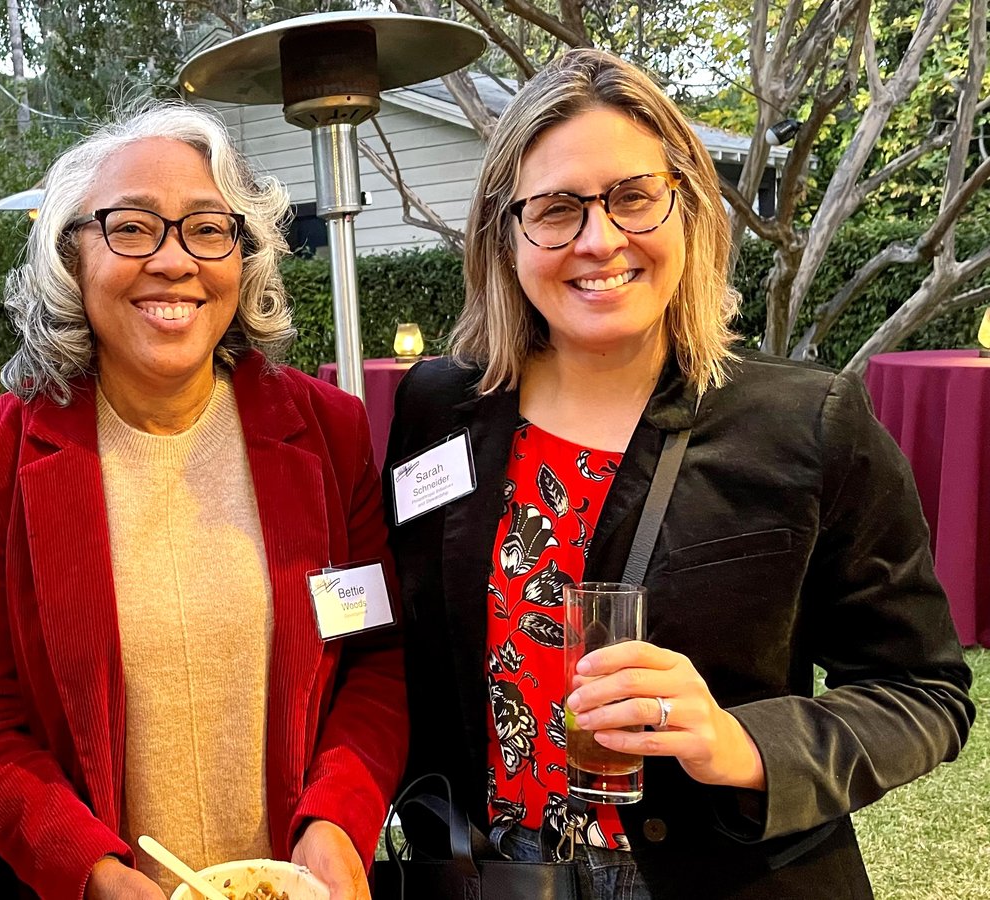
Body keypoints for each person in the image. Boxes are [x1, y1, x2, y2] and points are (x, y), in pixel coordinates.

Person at [387, 49, 974, 900]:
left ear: (689, 206)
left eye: (633, 197)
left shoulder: (806, 424)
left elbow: (924, 691)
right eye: (556, 209)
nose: (599, 240)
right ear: (504, 236)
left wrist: (741, 744)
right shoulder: (440, 408)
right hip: (497, 874)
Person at [0, 102, 407, 900]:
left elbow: (374, 665)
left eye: (207, 229)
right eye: (132, 227)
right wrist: (89, 871)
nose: (174, 260)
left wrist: (338, 820)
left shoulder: (328, 432)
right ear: (71, 256)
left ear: (241, 257)